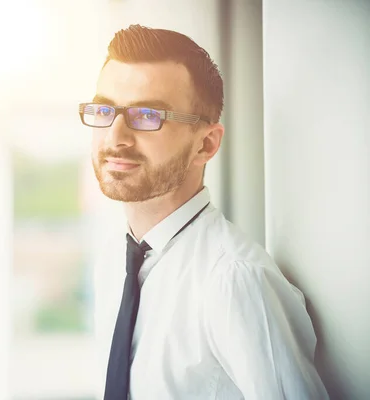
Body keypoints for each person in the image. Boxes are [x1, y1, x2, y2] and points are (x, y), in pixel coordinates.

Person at [80, 25, 328, 399]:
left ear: (206, 144)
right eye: (104, 110)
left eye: (147, 116)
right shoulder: (113, 262)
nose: (115, 138)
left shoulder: (235, 281)